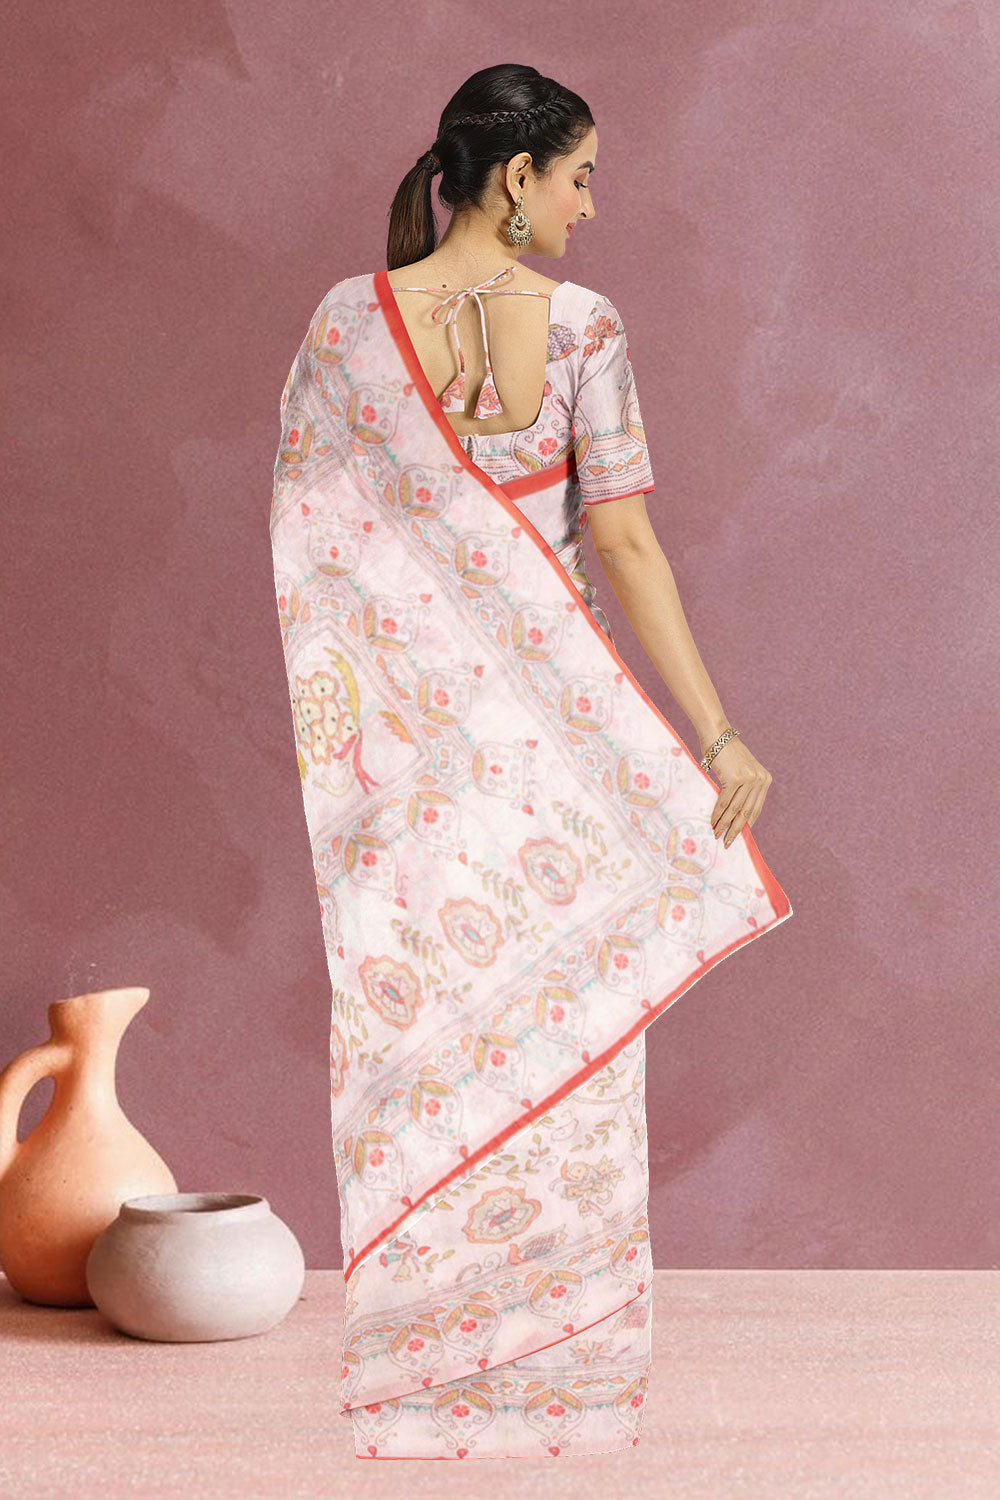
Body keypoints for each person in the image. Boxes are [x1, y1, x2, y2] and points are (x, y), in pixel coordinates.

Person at [269, 62, 792, 1461]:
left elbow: (317, 552)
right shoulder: (580, 329)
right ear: (516, 178)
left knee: (424, 1047)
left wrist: (384, 722)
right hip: (558, 767)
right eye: (580, 177)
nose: (591, 206)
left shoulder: (346, 325)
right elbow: (621, 542)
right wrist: (714, 731)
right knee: (566, 1038)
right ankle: (555, 1383)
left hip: (415, 774)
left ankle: (430, 1386)